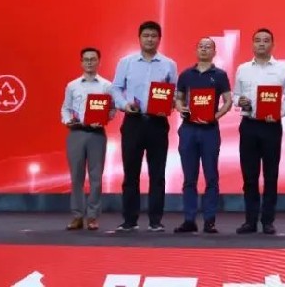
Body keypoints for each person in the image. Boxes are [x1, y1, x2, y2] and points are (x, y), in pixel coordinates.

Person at [109, 20, 179, 232]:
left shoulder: (169, 64)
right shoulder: (126, 62)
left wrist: (171, 103)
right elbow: (115, 88)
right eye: (146, 36)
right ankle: (130, 220)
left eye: (154, 36)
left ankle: (155, 220)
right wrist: (124, 104)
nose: (150, 39)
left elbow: (174, 92)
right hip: (134, 122)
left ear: (159, 39)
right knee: (131, 173)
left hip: (158, 123)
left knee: (157, 174)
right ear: (139, 38)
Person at [233, 28, 285, 235]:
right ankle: (250, 221)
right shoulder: (243, 69)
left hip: (271, 126)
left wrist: (279, 113)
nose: (262, 44)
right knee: (249, 176)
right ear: (252, 44)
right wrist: (239, 101)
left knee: (271, 175)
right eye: (258, 40)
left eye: (266, 40)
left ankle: (268, 221)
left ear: (273, 44)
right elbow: (235, 95)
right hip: (249, 125)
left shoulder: (282, 69)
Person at [173, 38, 234, 233]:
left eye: (208, 47)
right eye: (201, 46)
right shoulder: (185, 75)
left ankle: (209, 220)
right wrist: (180, 108)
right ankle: (189, 219)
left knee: (211, 176)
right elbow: (178, 98)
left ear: (214, 52)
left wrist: (216, 115)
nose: (204, 49)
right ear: (196, 50)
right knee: (189, 178)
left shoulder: (220, 75)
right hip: (189, 129)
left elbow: (228, 100)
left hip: (210, 130)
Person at [60, 47, 114, 231]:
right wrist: (67, 120)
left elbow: (112, 108)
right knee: (76, 176)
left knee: (96, 177)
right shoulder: (72, 85)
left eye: (93, 59)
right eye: (86, 59)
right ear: (81, 62)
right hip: (76, 132)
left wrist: (105, 119)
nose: (89, 62)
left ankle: (92, 216)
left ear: (99, 62)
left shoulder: (106, 86)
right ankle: (77, 216)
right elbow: (66, 108)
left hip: (97, 134)